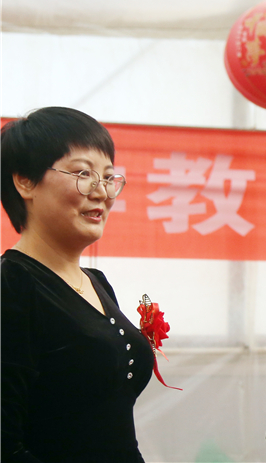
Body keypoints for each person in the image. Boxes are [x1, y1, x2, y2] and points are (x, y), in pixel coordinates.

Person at [1, 107, 154, 463]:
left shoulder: (95, 283)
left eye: (109, 177)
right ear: (25, 181)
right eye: (83, 173)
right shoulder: (12, 286)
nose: (101, 192)